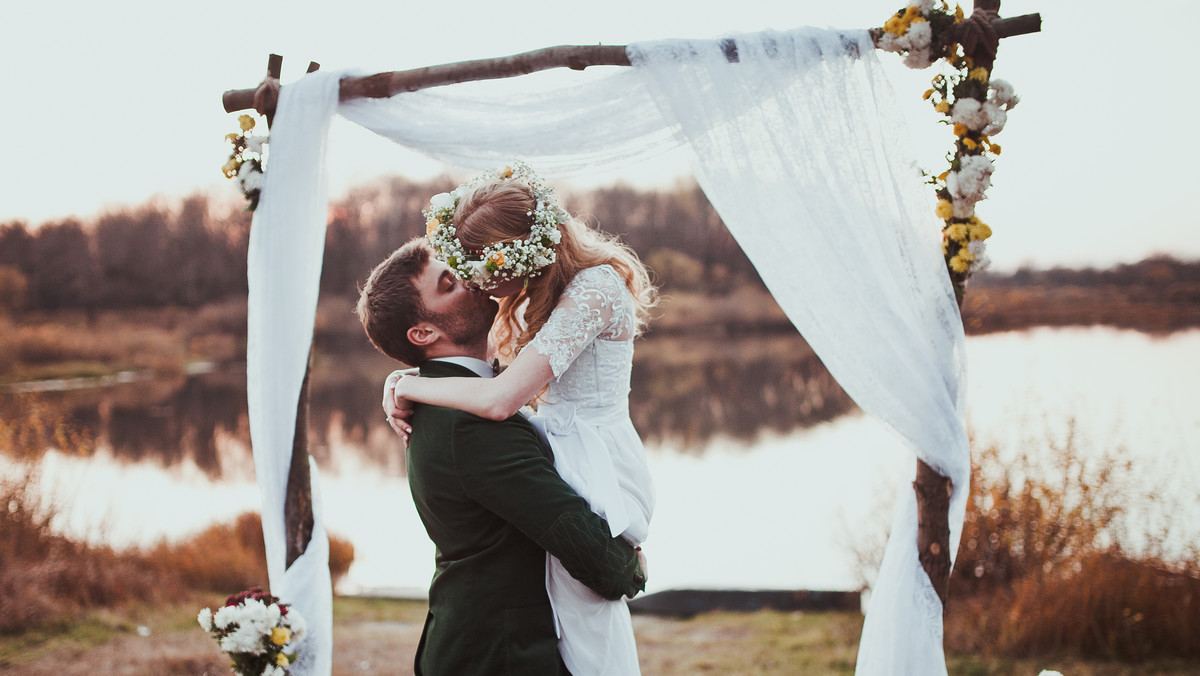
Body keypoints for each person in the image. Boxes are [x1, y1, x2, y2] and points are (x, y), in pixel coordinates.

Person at [383, 162, 657, 676]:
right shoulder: (469, 418)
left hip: (595, 457)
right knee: (585, 624)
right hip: (561, 449)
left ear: (516, 251)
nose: (474, 279)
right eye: (456, 275)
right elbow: (500, 397)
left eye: (475, 264)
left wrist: (406, 382)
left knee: (590, 628)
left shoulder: (589, 290)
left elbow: (501, 397)